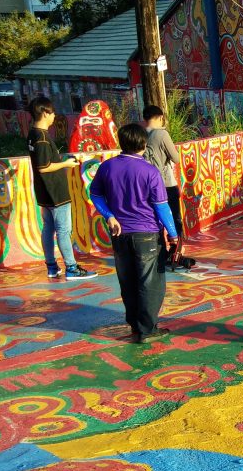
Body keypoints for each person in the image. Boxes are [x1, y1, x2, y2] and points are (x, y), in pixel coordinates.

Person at [90, 123, 180, 344]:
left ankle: (135, 323)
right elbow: (161, 206)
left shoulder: (107, 167)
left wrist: (109, 215)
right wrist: (173, 233)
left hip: (119, 234)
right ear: (143, 144)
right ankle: (147, 329)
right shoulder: (150, 171)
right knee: (150, 282)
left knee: (127, 279)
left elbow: (95, 195)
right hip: (147, 233)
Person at [26, 96, 98, 281]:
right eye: (52, 112)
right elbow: (44, 166)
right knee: (63, 230)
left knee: (48, 229)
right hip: (55, 191)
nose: (54, 116)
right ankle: (72, 268)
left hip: (44, 191)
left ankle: (51, 266)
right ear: (44, 113)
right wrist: (66, 164)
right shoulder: (41, 138)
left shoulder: (33, 134)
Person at [144, 105, 194, 270]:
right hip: (166, 184)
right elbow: (176, 158)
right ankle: (176, 253)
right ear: (160, 117)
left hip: (149, 185)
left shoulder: (141, 134)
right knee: (174, 220)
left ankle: (161, 253)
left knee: (157, 221)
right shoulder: (161, 133)